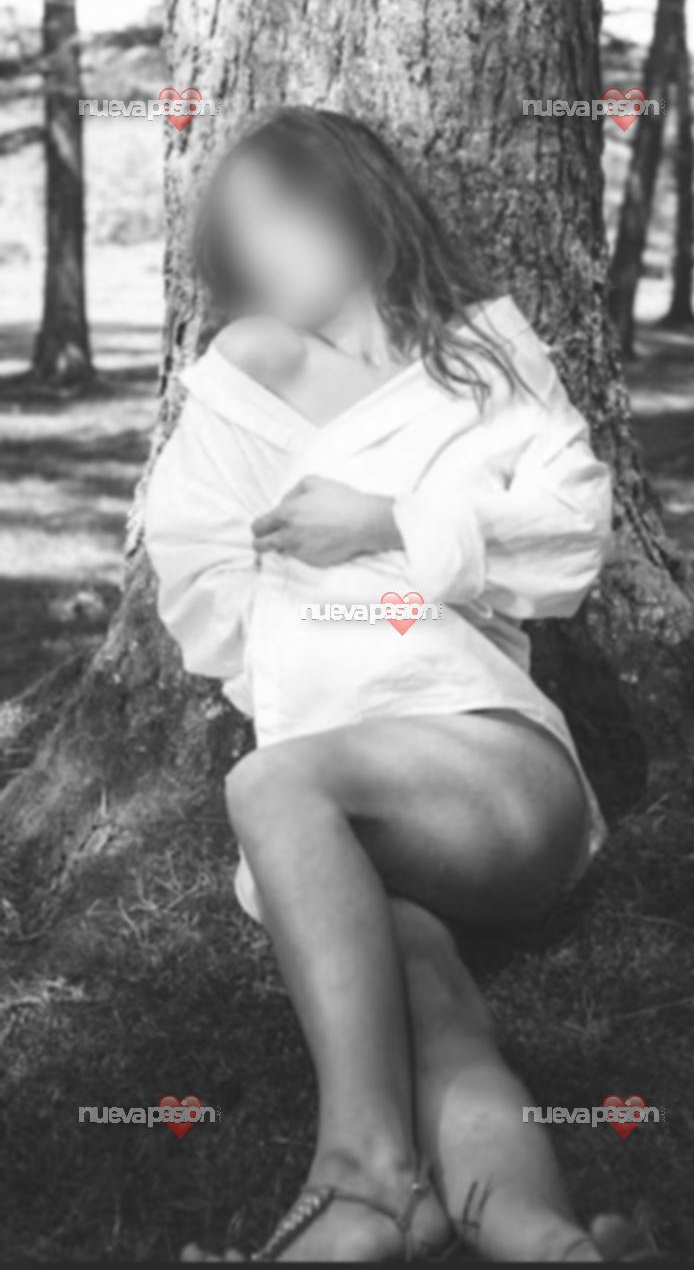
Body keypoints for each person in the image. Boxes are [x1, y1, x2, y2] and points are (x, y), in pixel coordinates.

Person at [145, 106, 646, 1262]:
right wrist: (335, 610)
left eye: (281, 215)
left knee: (269, 785)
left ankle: (359, 1173)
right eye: (239, 230)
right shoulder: (239, 378)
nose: (259, 249)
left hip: (488, 766)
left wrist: (385, 525)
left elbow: (569, 539)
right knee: (431, 1009)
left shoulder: (483, 355)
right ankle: (537, 1235)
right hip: (333, 807)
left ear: (356, 205)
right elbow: (199, 579)